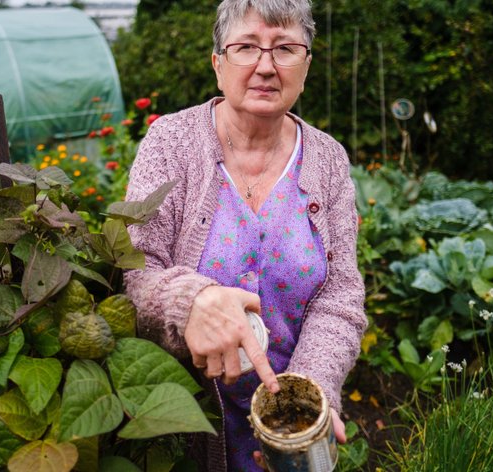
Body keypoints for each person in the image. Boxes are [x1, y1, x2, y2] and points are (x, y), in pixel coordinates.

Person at [124, 0, 367, 469]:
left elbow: (340, 293)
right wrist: (189, 301)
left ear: (306, 65)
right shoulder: (171, 143)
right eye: (246, 47)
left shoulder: (328, 160)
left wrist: (303, 399)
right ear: (219, 64)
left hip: (289, 434)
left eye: (285, 49)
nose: (265, 66)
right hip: (183, 422)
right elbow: (135, 268)